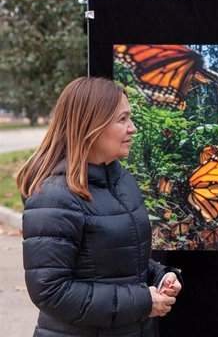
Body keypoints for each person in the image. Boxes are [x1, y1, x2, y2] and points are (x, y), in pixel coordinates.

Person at [17, 77, 182, 337]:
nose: (133, 128)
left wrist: (159, 276)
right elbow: (51, 291)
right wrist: (142, 301)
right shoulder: (54, 197)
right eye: (123, 119)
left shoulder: (121, 180)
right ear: (91, 125)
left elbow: (121, 258)